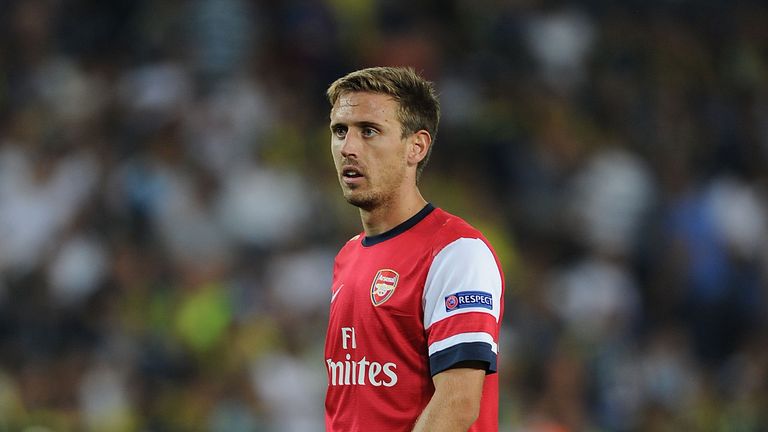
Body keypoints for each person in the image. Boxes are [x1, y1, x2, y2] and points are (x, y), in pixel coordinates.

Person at [323, 66, 505, 431]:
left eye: (369, 131)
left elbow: (457, 403)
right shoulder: (349, 255)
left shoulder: (456, 252)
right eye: (340, 131)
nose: (348, 147)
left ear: (416, 147)